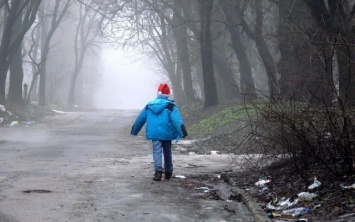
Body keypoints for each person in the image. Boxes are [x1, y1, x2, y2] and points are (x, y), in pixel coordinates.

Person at [131, 83, 188, 181]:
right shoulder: (170, 106)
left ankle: (158, 172)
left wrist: (135, 130)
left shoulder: (149, 105)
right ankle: (168, 172)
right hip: (167, 133)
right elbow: (176, 120)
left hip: (155, 133)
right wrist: (182, 132)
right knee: (167, 151)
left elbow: (140, 118)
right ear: (168, 94)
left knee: (156, 151)